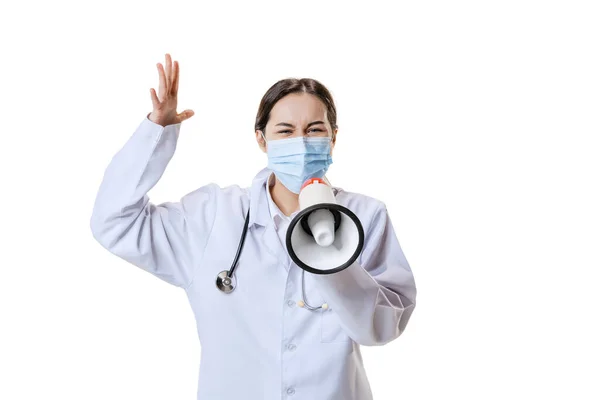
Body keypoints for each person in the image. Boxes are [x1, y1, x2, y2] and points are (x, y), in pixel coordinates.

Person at [90, 53, 417, 400]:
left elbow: (384, 327)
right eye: (286, 131)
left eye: (315, 130)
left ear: (333, 138)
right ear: (262, 139)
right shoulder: (213, 215)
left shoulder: (365, 216)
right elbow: (113, 221)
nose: (302, 143)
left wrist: (333, 259)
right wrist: (156, 133)